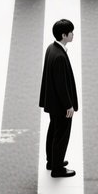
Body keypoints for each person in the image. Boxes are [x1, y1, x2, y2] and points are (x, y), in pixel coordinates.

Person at [39, 18, 78, 177]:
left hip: (52, 101)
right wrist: (69, 106)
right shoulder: (60, 56)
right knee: (61, 135)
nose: (73, 34)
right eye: (71, 32)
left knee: (54, 130)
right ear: (64, 35)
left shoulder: (51, 48)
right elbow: (61, 85)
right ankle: (57, 168)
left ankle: (52, 161)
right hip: (60, 104)